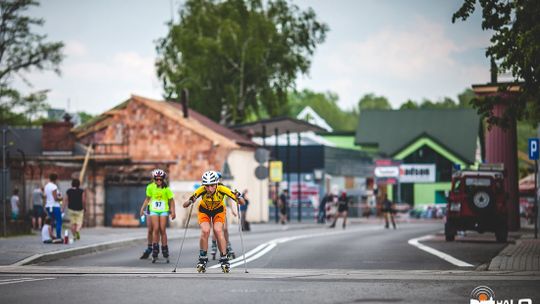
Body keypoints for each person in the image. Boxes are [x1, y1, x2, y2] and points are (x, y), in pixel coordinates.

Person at [183, 170, 245, 273]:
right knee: (205, 230)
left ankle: (224, 258)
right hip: (204, 210)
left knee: (218, 230)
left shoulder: (223, 189)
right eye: (207, 186)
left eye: (212, 185)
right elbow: (184, 205)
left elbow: (242, 202)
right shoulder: (201, 190)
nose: (209, 188)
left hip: (218, 210)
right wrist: (190, 200)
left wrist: (239, 196)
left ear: (216, 183)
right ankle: (202, 258)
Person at [139, 169, 176, 263]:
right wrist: (142, 209)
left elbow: (171, 200)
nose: (159, 181)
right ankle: (155, 248)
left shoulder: (166, 189)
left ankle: (164, 248)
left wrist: (173, 211)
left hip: (163, 210)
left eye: (160, 179)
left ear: (163, 179)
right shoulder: (150, 187)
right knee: (155, 229)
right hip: (154, 210)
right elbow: (147, 199)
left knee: (162, 229)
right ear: (154, 179)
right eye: (157, 179)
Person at [44, 173, 63, 238]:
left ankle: (50, 236)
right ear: (56, 179)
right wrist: (61, 198)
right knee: (59, 221)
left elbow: (46, 197)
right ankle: (58, 237)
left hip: (48, 206)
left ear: (50, 178)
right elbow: (55, 198)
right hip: (55, 206)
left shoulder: (46, 186)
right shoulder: (54, 186)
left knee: (50, 222)